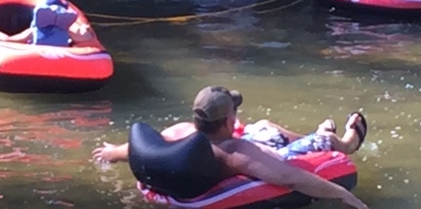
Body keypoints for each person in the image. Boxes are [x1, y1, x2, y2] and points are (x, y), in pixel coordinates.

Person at [92, 85, 368, 209]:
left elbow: (137, 149)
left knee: (262, 127)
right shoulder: (235, 152)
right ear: (229, 120)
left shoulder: (179, 132)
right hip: (267, 155)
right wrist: (344, 195)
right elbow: (291, 178)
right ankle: (342, 142)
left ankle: (328, 136)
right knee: (267, 127)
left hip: (193, 173)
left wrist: (111, 153)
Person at [0, 0, 94, 46]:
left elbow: (7, 39)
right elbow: (88, 39)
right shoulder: (69, 31)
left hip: (35, 58)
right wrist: (87, 29)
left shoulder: (33, 32)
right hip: (61, 62)